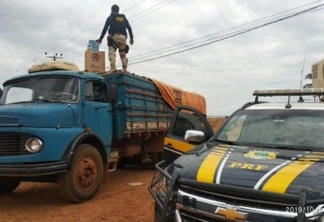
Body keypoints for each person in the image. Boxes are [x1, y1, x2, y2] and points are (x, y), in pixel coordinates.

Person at [96, 4, 134, 74]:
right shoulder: (123, 17)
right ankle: (125, 70)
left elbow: (105, 28)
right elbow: (129, 27)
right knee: (123, 54)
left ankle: (113, 68)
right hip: (123, 38)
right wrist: (131, 38)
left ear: (111, 10)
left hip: (114, 37)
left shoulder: (110, 17)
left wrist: (100, 38)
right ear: (118, 10)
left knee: (112, 52)